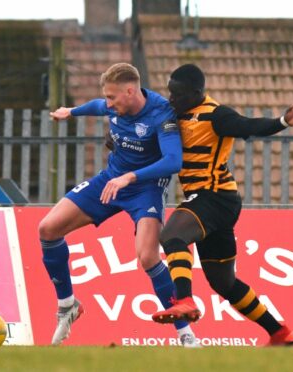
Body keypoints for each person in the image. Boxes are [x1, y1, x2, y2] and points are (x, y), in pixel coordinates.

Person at [151, 64, 293, 346]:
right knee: (223, 282)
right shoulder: (175, 114)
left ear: (196, 93)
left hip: (214, 197)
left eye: (177, 94)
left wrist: (282, 122)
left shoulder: (216, 114)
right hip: (215, 202)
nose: (171, 98)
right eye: (170, 92)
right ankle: (281, 333)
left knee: (171, 235)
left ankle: (184, 300)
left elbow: (248, 126)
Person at [43, 62, 198, 347]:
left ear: (130, 91)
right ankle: (68, 306)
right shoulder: (116, 105)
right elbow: (97, 105)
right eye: (107, 98)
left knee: (149, 257)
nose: (108, 104)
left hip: (145, 189)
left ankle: (185, 333)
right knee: (48, 228)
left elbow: (173, 161)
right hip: (110, 181)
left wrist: (131, 177)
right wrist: (71, 112)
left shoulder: (162, 114)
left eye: (112, 98)